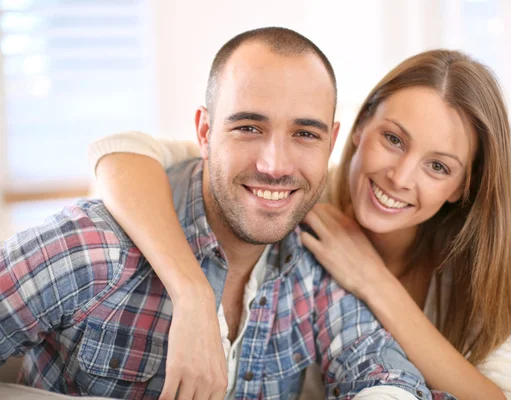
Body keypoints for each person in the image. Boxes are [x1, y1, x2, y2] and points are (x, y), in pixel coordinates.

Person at [0, 27, 447, 400]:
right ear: (205, 132)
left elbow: (386, 376)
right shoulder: (93, 249)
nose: (275, 165)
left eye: (304, 134)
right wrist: (193, 298)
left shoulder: (318, 263)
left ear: (331, 144)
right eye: (249, 128)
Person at [90, 49, 511, 400]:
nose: (400, 177)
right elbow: (122, 154)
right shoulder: (291, 188)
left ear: (461, 186)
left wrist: (375, 283)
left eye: (438, 167)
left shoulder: (482, 258)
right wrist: (192, 294)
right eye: (393, 139)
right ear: (354, 129)